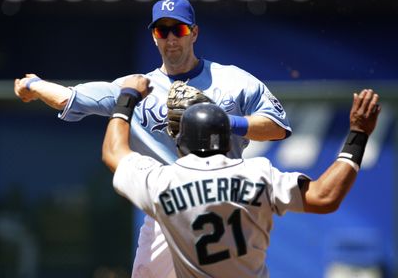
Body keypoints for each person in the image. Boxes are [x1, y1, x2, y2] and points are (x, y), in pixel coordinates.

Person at [14, 0, 292, 278]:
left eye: (179, 30)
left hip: (223, 199)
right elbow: (68, 98)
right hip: (169, 206)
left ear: (194, 32)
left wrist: (225, 121)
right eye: (162, 31)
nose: (171, 38)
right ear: (154, 37)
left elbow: (277, 126)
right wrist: (34, 84)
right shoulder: (136, 87)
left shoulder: (232, 80)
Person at [102, 75, 380, 278]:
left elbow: (114, 153)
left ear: (181, 141)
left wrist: (127, 97)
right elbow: (325, 197)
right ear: (226, 140)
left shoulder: (162, 182)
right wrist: (358, 134)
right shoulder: (257, 173)